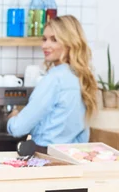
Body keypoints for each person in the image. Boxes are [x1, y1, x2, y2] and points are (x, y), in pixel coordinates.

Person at [7, 15, 98, 148]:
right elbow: (83, 133)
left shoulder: (54, 79)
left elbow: (18, 128)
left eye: (54, 40)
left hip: (47, 154)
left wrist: (12, 118)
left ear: (69, 43)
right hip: (74, 156)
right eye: (44, 39)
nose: (45, 45)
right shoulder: (83, 77)